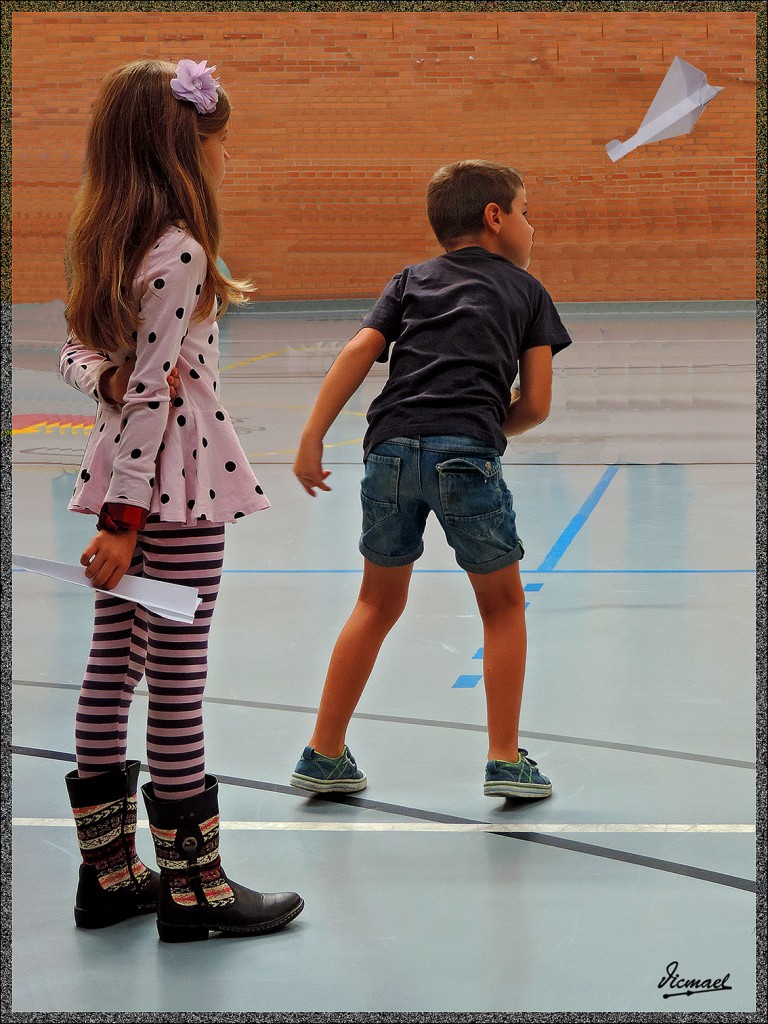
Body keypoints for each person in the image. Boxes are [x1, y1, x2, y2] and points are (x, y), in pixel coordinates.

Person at [60, 58, 303, 942]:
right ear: (179, 146)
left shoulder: (112, 240)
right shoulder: (181, 250)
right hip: (175, 491)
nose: (222, 159)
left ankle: (112, 877)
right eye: (213, 142)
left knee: (111, 672)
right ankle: (196, 891)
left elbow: (80, 359)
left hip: (131, 482)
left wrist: (112, 377)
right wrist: (125, 523)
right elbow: (154, 393)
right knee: (176, 686)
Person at [290, 159, 572, 801]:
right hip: (465, 454)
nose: (534, 228)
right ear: (495, 219)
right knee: (502, 606)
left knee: (376, 603)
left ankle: (323, 752)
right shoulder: (529, 294)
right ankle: (505, 758)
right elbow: (535, 404)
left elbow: (360, 350)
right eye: (527, 212)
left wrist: (313, 433)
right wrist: (475, 426)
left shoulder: (410, 281)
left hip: (387, 452)